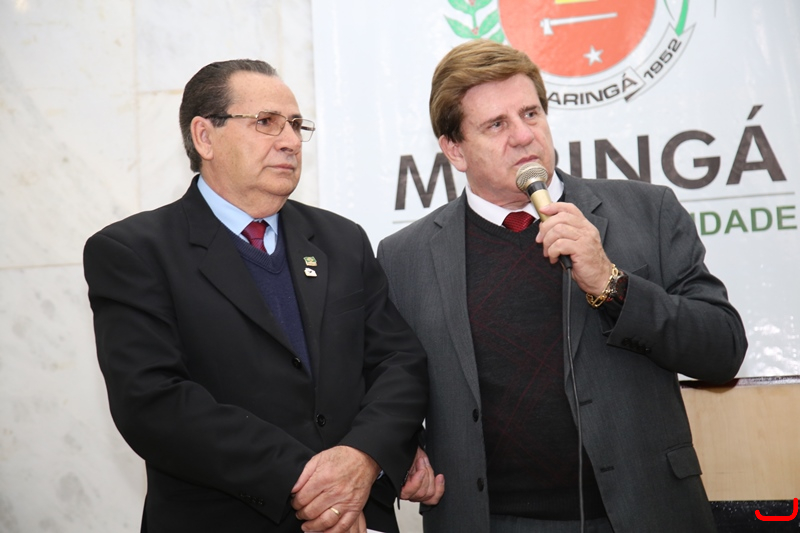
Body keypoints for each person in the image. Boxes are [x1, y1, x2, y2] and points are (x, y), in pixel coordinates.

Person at [382, 39, 747, 532]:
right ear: (454, 149)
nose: (523, 136)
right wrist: (406, 446)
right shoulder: (404, 257)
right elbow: (384, 382)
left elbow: (723, 349)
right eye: (496, 125)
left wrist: (612, 283)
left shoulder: (649, 212)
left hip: (641, 514)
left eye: (530, 114)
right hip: (489, 521)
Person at [83, 59, 429, 533]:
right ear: (204, 137)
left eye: (296, 125)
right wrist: (311, 482)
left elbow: (398, 361)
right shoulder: (134, 252)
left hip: (359, 515)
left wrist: (363, 456)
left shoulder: (341, 239)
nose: (290, 141)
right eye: (266, 122)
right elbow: (153, 401)